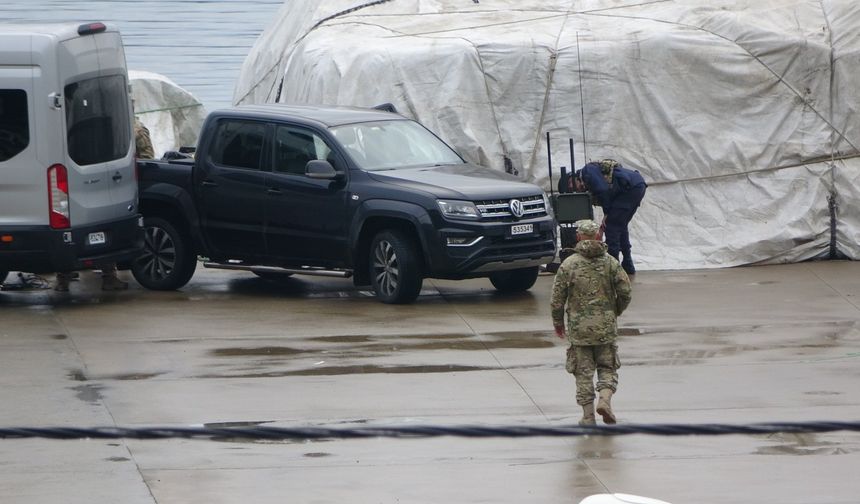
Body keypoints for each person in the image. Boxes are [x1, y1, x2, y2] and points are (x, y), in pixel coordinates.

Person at [550, 219, 632, 425]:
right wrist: (615, 311)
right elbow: (625, 292)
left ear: (578, 237)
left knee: (583, 373)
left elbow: (557, 299)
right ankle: (605, 400)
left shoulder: (568, 265)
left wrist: (558, 323)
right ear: (598, 236)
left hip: (579, 330)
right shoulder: (611, 263)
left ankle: (588, 416)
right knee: (607, 367)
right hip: (605, 327)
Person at [574, 159, 647, 275]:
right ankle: (627, 264)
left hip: (630, 188)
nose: (577, 189)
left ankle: (613, 270)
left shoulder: (587, 171)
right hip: (636, 185)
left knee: (612, 227)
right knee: (621, 226)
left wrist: (607, 214)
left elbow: (603, 190)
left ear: (575, 178)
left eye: (573, 185)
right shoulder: (593, 172)